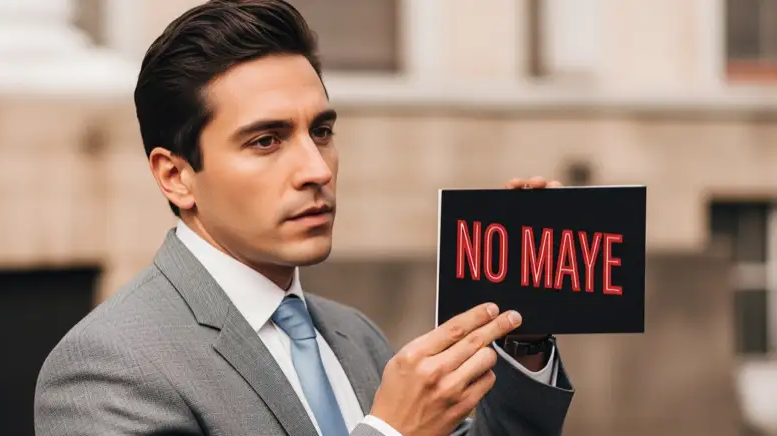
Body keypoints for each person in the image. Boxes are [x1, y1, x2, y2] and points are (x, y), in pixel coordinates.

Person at [34, 1, 574, 435]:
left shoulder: (353, 335)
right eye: (266, 140)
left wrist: (523, 336)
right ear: (176, 176)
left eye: (321, 131)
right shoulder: (107, 369)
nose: (316, 169)